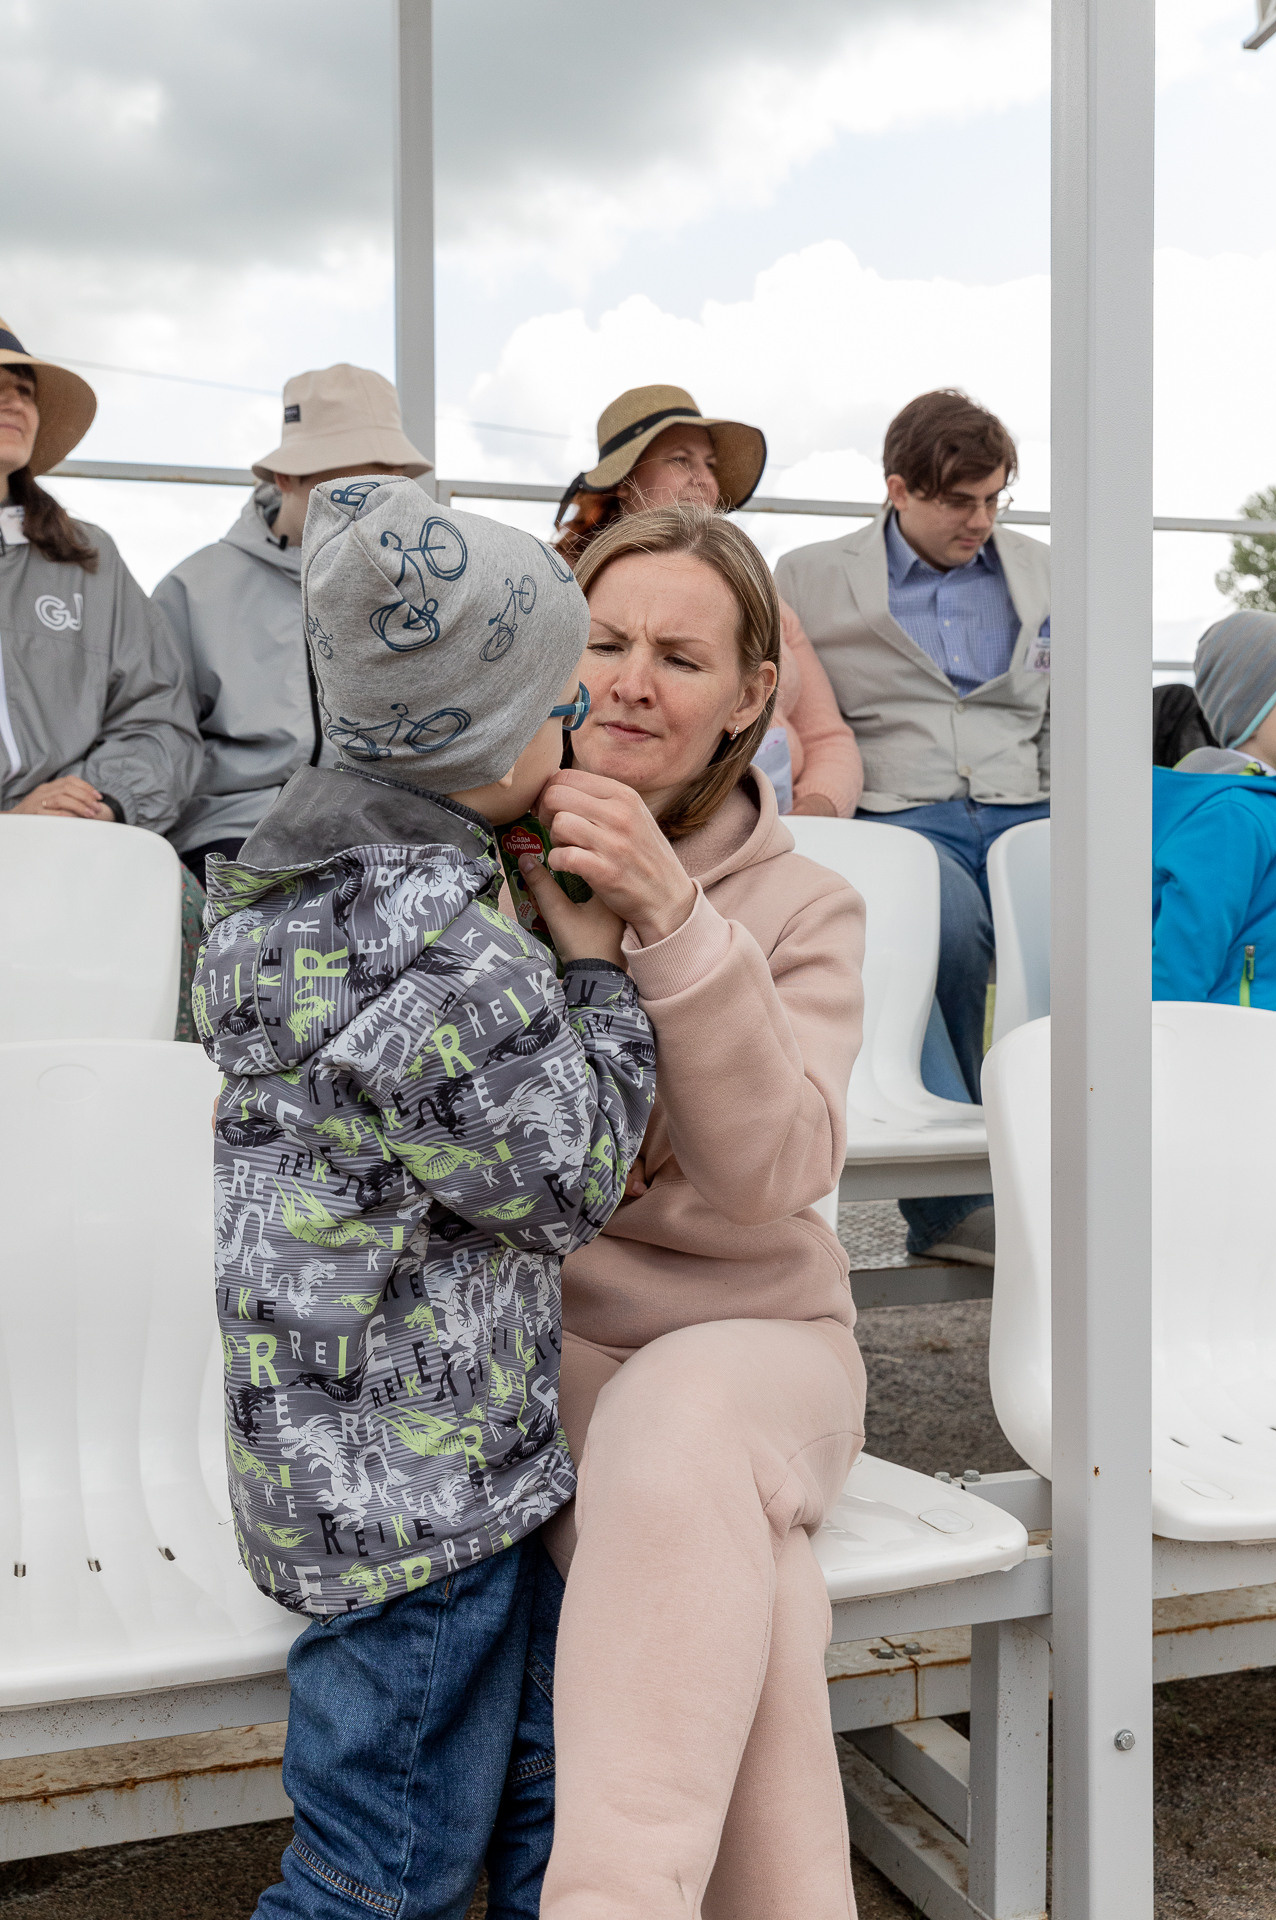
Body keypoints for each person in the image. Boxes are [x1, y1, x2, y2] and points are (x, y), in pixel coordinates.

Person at [194, 475, 655, 1920]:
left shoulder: (281, 901)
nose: (577, 727)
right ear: (501, 738)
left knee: (501, 1806)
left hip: (332, 1472)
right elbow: (569, 1179)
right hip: (426, 1505)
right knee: (378, 1877)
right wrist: (598, 975)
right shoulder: (448, 955)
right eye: (562, 706)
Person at [513, 504, 867, 1918]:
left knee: (682, 1418)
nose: (629, 683)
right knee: (764, 1601)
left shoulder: (807, 906)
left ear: (749, 696)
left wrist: (672, 922)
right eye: (603, 643)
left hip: (767, 1347)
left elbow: (773, 1175)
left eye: (678, 656)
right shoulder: (480, 858)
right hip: (558, 1356)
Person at [775, 389, 1052, 1266]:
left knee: (1100, 922)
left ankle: (1073, 1166)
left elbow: (1070, 708)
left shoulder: (1047, 572)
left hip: (1029, 800)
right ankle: (956, 1202)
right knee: (946, 935)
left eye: (996, 498)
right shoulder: (808, 577)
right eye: (960, 501)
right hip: (904, 812)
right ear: (899, 489)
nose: (983, 520)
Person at [0, 319, 205, 1035]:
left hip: (77, 844)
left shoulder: (89, 559)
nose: (14, 402)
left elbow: (160, 723)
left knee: (186, 917)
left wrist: (93, 802)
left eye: (24, 389)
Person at [155, 364, 430, 889]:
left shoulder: (422, 588)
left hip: (387, 831)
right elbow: (158, 739)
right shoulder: (192, 590)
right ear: (285, 479)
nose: (368, 508)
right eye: (346, 487)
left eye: (384, 490)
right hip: (236, 830)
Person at [556, 383, 862, 818]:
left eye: (710, 464)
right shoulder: (565, 589)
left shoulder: (770, 604)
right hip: (676, 818)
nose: (703, 478)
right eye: (681, 459)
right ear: (624, 483)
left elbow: (828, 738)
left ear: (752, 695)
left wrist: (812, 819)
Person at [1152, 610, 1276, 1009]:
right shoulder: (1230, 816)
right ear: (1251, 708)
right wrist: (1168, 1039)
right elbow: (1179, 966)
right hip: (1233, 1036)